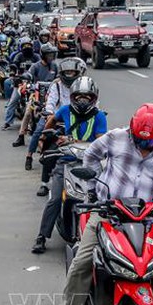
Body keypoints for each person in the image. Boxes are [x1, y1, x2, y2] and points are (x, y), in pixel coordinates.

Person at [58, 103, 153, 305]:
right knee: (83, 263)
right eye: (139, 139)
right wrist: (92, 190)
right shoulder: (116, 137)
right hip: (108, 213)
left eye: (150, 142)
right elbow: (91, 155)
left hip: (147, 220)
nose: (143, 146)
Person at [31, 77, 107, 253]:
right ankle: (42, 236)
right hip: (65, 161)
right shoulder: (64, 110)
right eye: (78, 96)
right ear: (72, 96)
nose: (82, 100)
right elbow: (50, 121)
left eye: (86, 97)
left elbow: (100, 141)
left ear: (93, 98)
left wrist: (71, 139)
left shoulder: (99, 116)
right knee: (56, 199)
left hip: (91, 165)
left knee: (103, 200)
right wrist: (43, 137)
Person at [26, 57, 85, 176]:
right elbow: (51, 102)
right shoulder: (56, 85)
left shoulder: (82, 85)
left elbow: (91, 99)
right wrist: (49, 113)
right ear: (62, 73)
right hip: (57, 116)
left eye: (71, 72)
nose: (69, 75)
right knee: (39, 131)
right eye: (66, 72)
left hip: (78, 116)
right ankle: (29, 156)